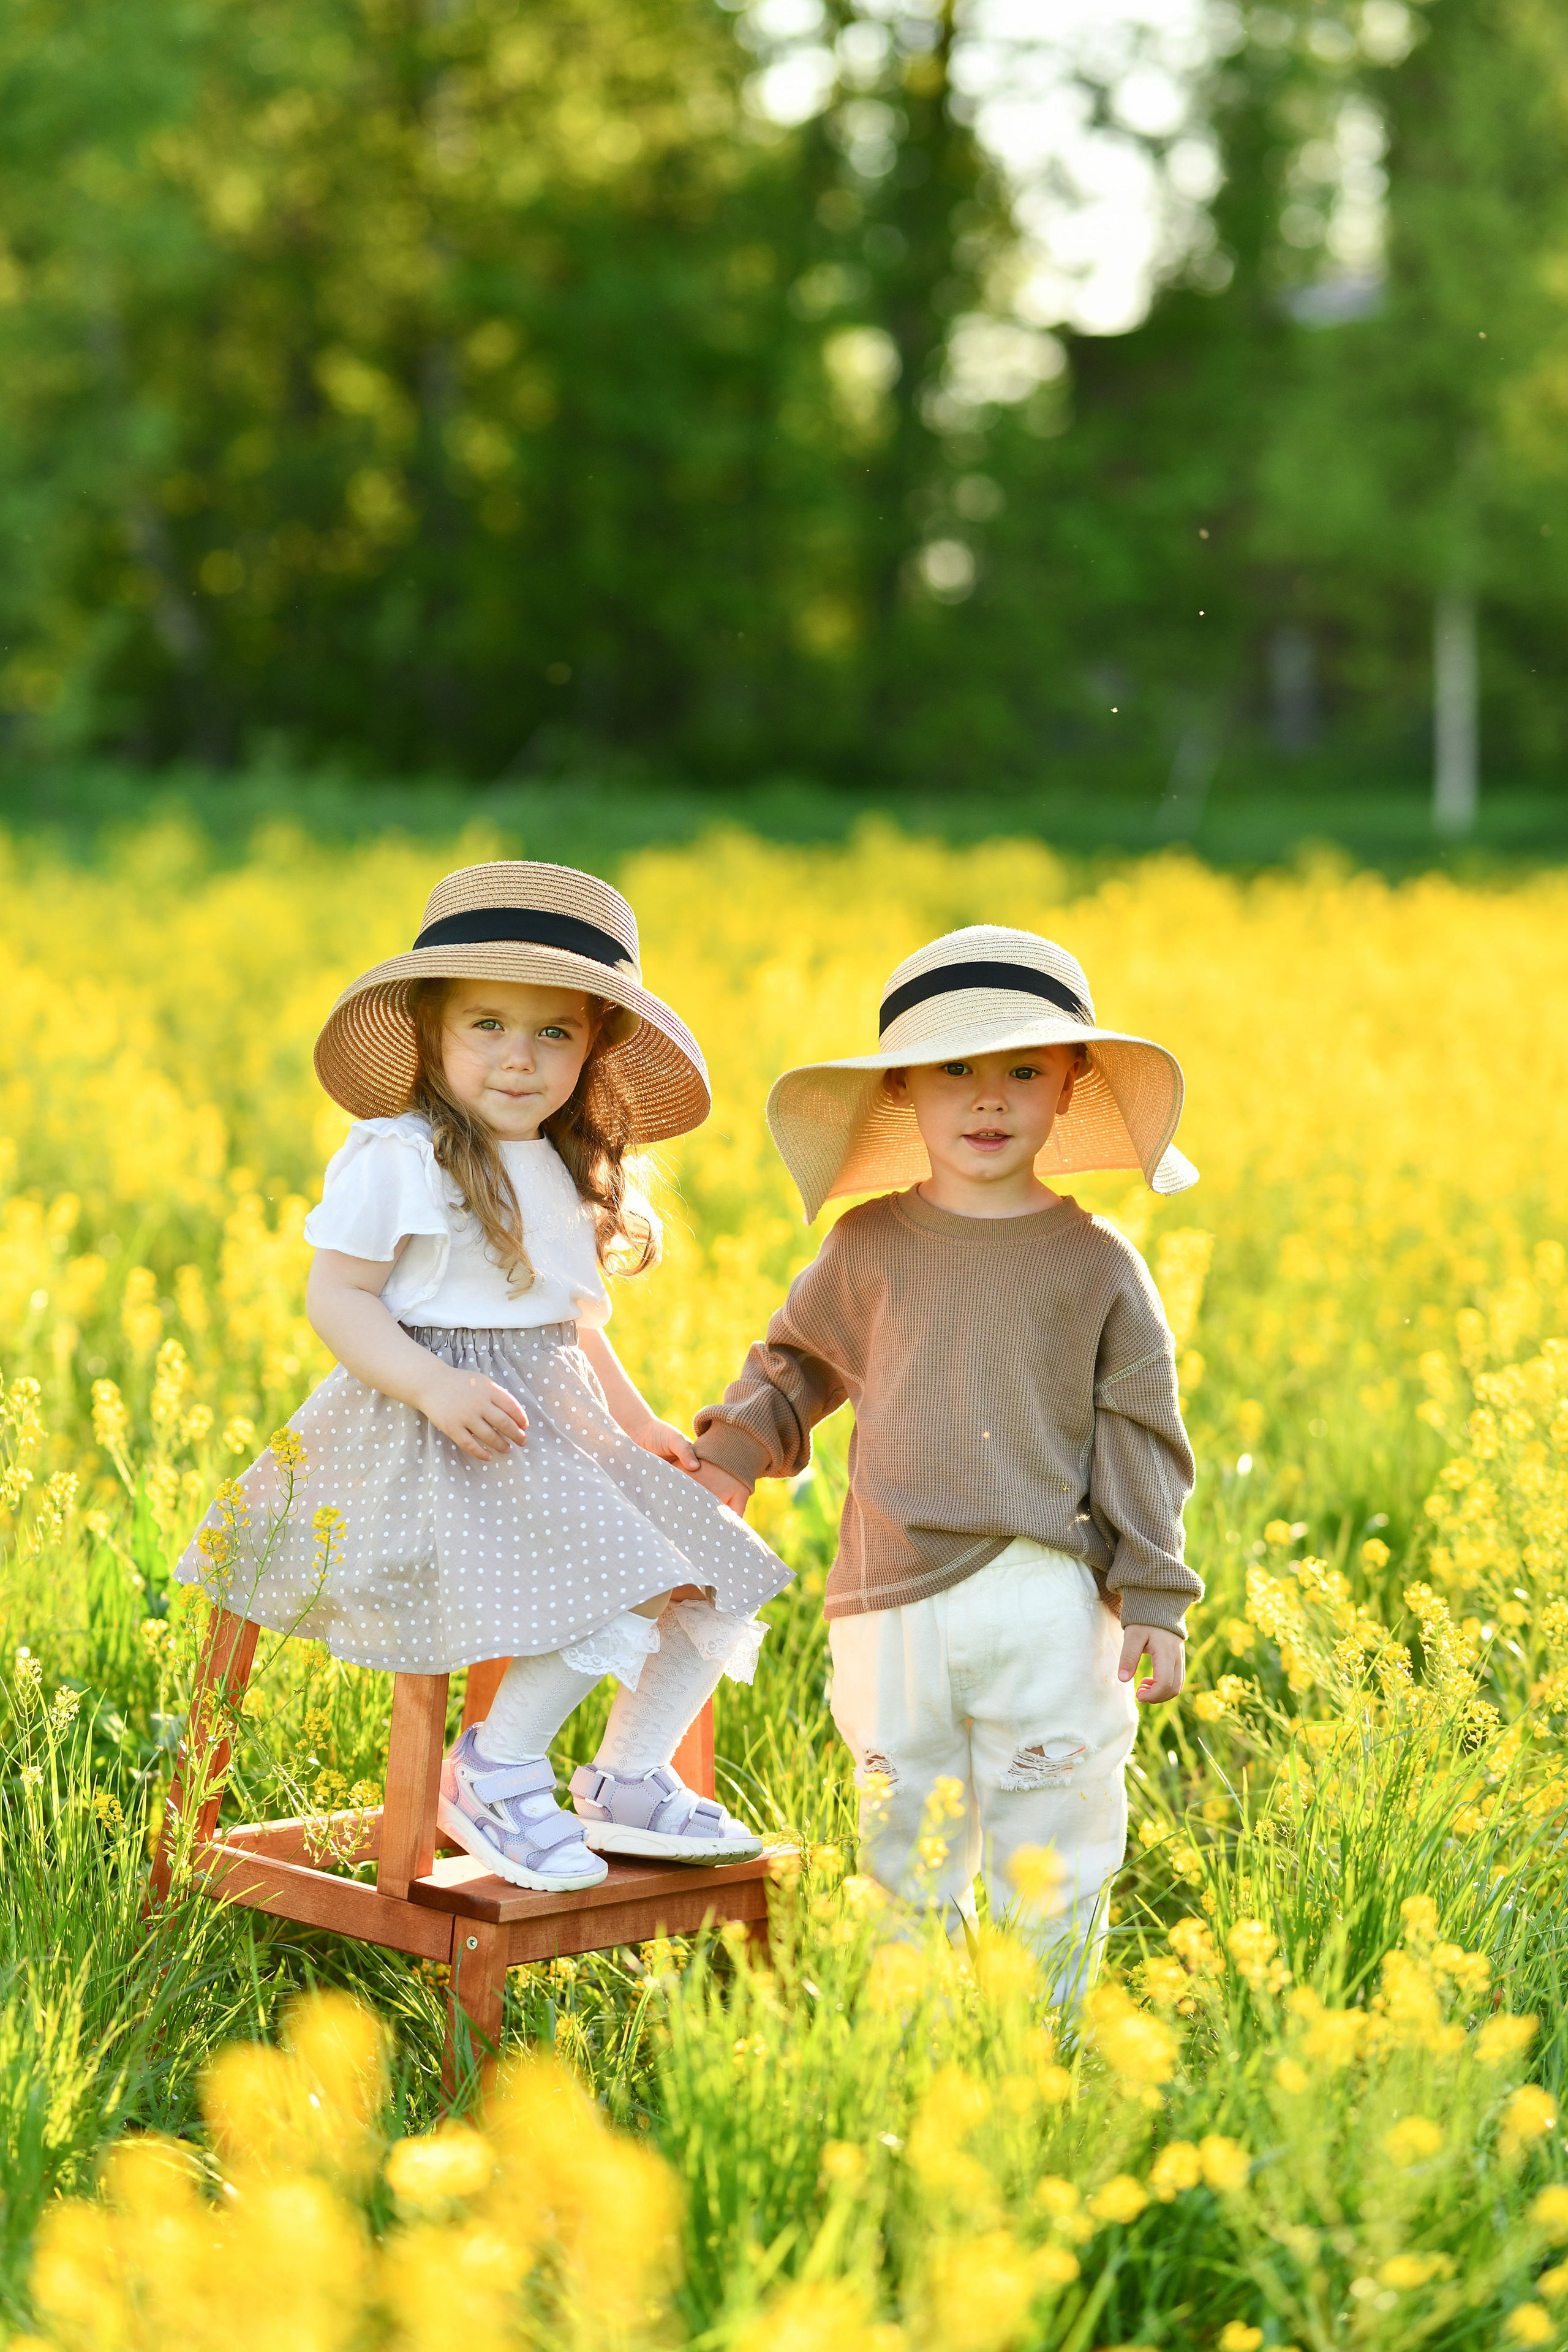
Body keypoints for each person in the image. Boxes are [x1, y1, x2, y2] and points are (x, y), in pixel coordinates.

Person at [179, 861, 788, 1893]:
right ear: (430, 1032)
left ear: (593, 1047)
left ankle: (625, 1779)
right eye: (488, 1026)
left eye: (555, 1032)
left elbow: (569, 1324)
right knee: (618, 1582)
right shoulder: (400, 1154)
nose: (521, 1058)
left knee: (720, 1566)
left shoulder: (557, 1162)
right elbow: (340, 1299)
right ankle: (494, 1771)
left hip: (558, 1422)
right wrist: (431, 1385)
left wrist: (638, 1424)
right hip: (437, 1432)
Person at [689, 924, 1202, 1995]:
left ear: (1069, 1090)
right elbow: (797, 1365)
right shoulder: (868, 1245)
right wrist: (733, 1455)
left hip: (1051, 1600)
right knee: (905, 1851)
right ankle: (916, 2050)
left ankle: (1038, 2052)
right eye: (954, 1072)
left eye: (1023, 1071)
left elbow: (1141, 1435)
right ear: (903, 1096)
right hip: (890, 1599)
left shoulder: (1100, 1265)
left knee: (1052, 1845)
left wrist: (1154, 1592)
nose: (988, 1099)